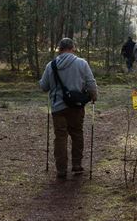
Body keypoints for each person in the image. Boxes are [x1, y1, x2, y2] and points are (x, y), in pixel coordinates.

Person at [39, 38, 98, 179]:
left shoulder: (51, 65)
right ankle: (77, 165)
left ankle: (61, 169)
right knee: (77, 134)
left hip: (57, 108)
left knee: (60, 137)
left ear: (59, 49)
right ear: (73, 48)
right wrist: (94, 96)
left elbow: (43, 87)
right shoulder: (81, 63)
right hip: (76, 106)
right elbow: (90, 83)